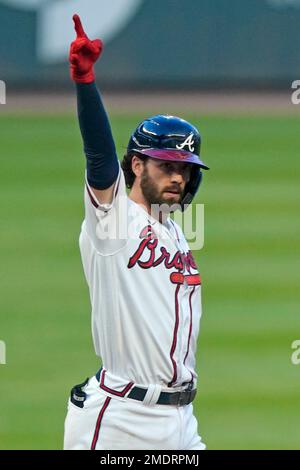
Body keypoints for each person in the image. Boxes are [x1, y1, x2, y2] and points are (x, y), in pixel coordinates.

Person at [63, 14, 209, 451]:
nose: (178, 178)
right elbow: (99, 159)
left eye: (184, 169)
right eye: (167, 166)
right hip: (122, 422)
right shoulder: (114, 223)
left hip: (180, 421)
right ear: (137, 165)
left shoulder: (175, 233)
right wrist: (86, 82)